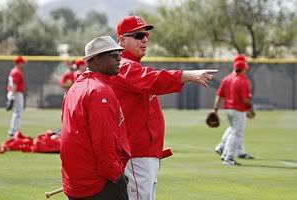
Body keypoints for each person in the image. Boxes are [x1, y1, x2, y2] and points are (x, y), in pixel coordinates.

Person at [111, 15, 218, 200]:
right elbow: (153, 79)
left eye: (146, 35)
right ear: (121, 40)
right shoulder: (123, 67)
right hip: (135, 153)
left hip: (145, 152)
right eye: (138, 36)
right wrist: (187, 75)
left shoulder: (134, 67)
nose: (144, 39)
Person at [60, 36, 131, 200]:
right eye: (114, 54)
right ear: (97, 59)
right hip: (99, 184)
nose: (119, 57)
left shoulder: (75, 87)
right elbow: (104, 142)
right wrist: (116, 176)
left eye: (120, 53)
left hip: (76, 182)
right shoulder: (99, 91)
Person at [213, 57, 255, 165]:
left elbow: (219, 96)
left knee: (233, 130)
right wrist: (251, 108)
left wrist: (215, 109)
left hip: (228, 110)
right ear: (244, 69)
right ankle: (228, 157)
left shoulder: (226, 79)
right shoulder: (243, 80)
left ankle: (223, 150)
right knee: (237, 133)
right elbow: (246, 100)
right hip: (238, 110)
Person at [7, 56, 27, 138]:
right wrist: (12, 96)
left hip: (15, 93)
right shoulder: (16, 72)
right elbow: (14, 85)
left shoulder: (14, 71)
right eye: (22, 62)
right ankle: (13, 131)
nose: (23, 64)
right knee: (17, 112)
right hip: (16, 93)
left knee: (17, 112)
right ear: (19, 63)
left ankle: (15, 130)